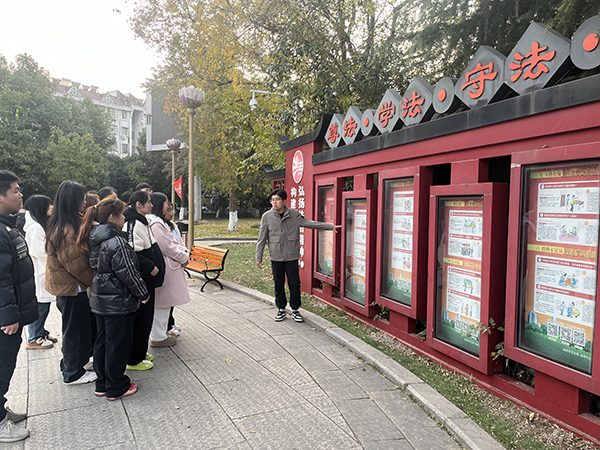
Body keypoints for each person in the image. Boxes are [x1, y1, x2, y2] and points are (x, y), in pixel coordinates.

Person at [79, 198, 149, 400]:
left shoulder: (95, 237)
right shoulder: (116, 241)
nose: (125, 217)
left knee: (103, 341)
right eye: (122, 214)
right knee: (117, 344)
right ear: (112, 217)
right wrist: (142, 293)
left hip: (101, 299)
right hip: (118, 302)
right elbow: (129, 273)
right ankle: (116, 385)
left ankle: (102, 383)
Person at [256, 189, 340, 322]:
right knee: (278, 284)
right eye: (272, 200)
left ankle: (295, 310)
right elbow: (262, 238)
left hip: (291, 256)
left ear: (284, 201)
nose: (274, 202)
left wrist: (330, 227)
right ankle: (281, 309)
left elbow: (309, 223)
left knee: (294, 284)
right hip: (276, 256)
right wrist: (258, 257)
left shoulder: (294, 215)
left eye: (277, 199)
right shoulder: (266, 217)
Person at [46, 181, 96, 385]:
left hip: (70, 288)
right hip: (72, 288)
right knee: (76, 330)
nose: (85, 202)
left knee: (75, 328)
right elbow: (77, 266)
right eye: (82, 198)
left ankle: (70, 363)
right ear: (72, 200)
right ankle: (73, 372)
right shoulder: (66, 230)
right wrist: (95, 282)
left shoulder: (68, 223)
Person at [0, 170, 37, 442]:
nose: (20, 194)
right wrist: (9, 315)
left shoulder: (8, 225)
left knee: (6, 365)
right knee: (1, 366)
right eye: (15, 190)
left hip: (12, 313)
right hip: (6, 319)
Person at [123, 191, 164, 370]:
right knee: (140, 319)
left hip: (149, 280)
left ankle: (140, 351)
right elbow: (133, 252)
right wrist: (150, 267)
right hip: (143, 279)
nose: (151, 204)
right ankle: (133, 358)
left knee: (146, 318)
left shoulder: (143, 221)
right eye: (148, 202)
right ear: (138, 204)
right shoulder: (132, 222)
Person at [148, 193, 190, 347]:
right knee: (162, 302)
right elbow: (167, 246)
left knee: (166, 302)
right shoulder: (156, 224)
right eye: (166, 202)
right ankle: (158, 336)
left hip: (169, 266)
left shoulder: (160, 222)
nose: (169, 205)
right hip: (166, 267)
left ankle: (163, 331)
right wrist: (183, 257)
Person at [23, 195, 57, 350]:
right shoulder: (35, 227)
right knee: (41, 306)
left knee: (45, 305)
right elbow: (38, 250)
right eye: (48, 205)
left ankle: (40, 332)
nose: (51, 207)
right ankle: (33, 338)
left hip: (44, 269)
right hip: (40, 270)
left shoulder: (38, 224)